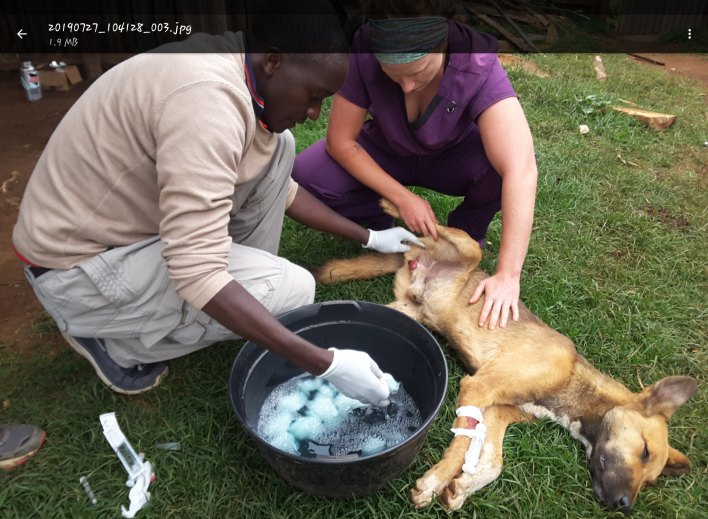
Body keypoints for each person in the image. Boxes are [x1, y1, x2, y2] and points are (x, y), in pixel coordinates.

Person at [11, 0, 423, 404]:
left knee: (280, 147)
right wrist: (326, 364)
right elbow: (196, 270)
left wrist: (370, 237)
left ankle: (234, 302)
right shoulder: (207, 103)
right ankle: (115, 344)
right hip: (76, 268)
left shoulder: (234, 69)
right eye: (313, 95)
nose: (315, 112)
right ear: (274, 61)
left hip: (118, 231)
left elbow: (283, 190)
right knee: (293, 290)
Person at [292, 0, 538, 331]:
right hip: (386, 150)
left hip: (452, 160)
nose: (407, 86)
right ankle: (388, 231)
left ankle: (462, 239)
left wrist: (509, 275)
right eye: (393, 76)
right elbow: (340, 141)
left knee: (500, 169)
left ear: (445, 43)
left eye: (418, 72)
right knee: (307, 174)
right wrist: (402, 198)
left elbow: (520, 168)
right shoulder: (365, 47)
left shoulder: (476, 61)